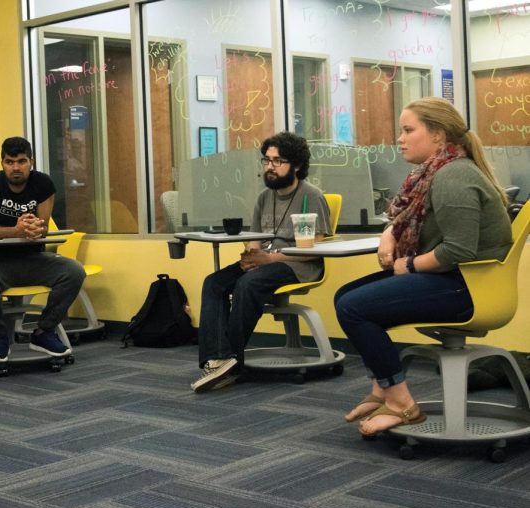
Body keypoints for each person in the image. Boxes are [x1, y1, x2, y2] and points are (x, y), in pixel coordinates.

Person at [335, 97, 512, 435]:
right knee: (347, 295)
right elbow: (407, 220)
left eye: (407, 130)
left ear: (437, 135)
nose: (399, 139)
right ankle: (383, 389)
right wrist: (389, 233)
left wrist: (410, 266)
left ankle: (402, 405)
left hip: (471, 288)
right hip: (461, 280)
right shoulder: (435, 172)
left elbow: (457, 249)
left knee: (354, 307)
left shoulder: (453, 176)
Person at [191, 131, 330, 393]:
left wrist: (268, 258)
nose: (270, 167)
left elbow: (316, 248)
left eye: (278, 161)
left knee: (247, 284)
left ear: (297, 165)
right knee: (214, 282)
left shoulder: (310, 195)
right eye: (266, 160)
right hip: (265, 261)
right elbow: (254, 239)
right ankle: (219, 357)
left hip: (297, 265)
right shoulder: (264, 197)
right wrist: (250, 257)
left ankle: (232, 357)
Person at [0, 137, 86, 362]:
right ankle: (0, 338)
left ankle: (44, 331)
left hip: (33, 259)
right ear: (2, 163)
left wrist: (35, 230)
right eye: (10, 161)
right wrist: (17, 230)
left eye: (21, 161)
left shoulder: (43, 184)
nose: (15, 167)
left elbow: (42, 229)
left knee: (73, 271)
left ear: (31, 162)